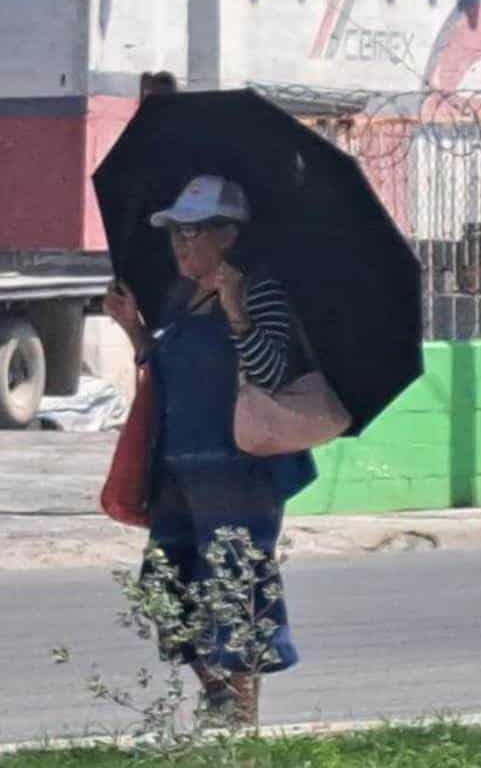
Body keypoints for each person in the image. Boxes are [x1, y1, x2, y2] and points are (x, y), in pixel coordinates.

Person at [103, 174, 314, 727]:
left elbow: (272, 372)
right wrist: (135, 333)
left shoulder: (260, 289)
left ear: (227, 235)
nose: (179, 244)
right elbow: (169, 374)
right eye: (175, 232)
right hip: (178, 468)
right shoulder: (178, 296)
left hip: (240, 472)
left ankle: (241, 722)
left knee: (234, 591)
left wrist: (236, 307)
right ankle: (220, 697)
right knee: (165, 593)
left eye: (192, 232)